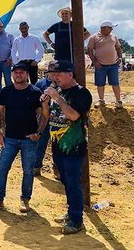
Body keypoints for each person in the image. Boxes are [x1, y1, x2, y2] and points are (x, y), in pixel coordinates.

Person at [0, 62, 46, 213]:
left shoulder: (35, 92)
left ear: (27, 74)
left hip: (29, 139)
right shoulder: (6, 91)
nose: (18, 75)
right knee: (2, 169)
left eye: (22, 73)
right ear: (12, 74)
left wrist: (38, 133)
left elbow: (44, 115)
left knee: (28, 171)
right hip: (10, 138)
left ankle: (25, 200)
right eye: (16, 73)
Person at [42, 60, 92, 235]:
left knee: (73, 182)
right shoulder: (60, 91)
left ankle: (77, 220)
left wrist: (57, 98)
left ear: (70, 74)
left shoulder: (81, 93)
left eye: (59, 74)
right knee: (65, 181)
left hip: (74, 146)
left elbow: (73, 115)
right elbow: (48, 116)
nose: (55, 77)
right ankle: (72, 212)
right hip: (57, 145)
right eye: (53, 75)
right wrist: (45, 104)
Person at [87, 20, 123, 109]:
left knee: (115, 83)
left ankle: (118, 101)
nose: (111, 30)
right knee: (100, 84)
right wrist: (94, 62)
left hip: (113, 64)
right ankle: (101, 100)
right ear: (104, 28)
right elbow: (89, 50)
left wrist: (120, 58)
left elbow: (118, 48)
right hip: (100, 65)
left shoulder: (114, 36)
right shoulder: (94, 37)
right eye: (110, 28)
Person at [33, 60, 58, 177]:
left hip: (58, 121)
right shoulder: (40, 84)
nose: (55, 74)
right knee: (40, 144)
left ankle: (57, 169)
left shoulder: (62, 84)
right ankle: (36, 166)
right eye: (52, 71)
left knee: (58, 146)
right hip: (43, 120)